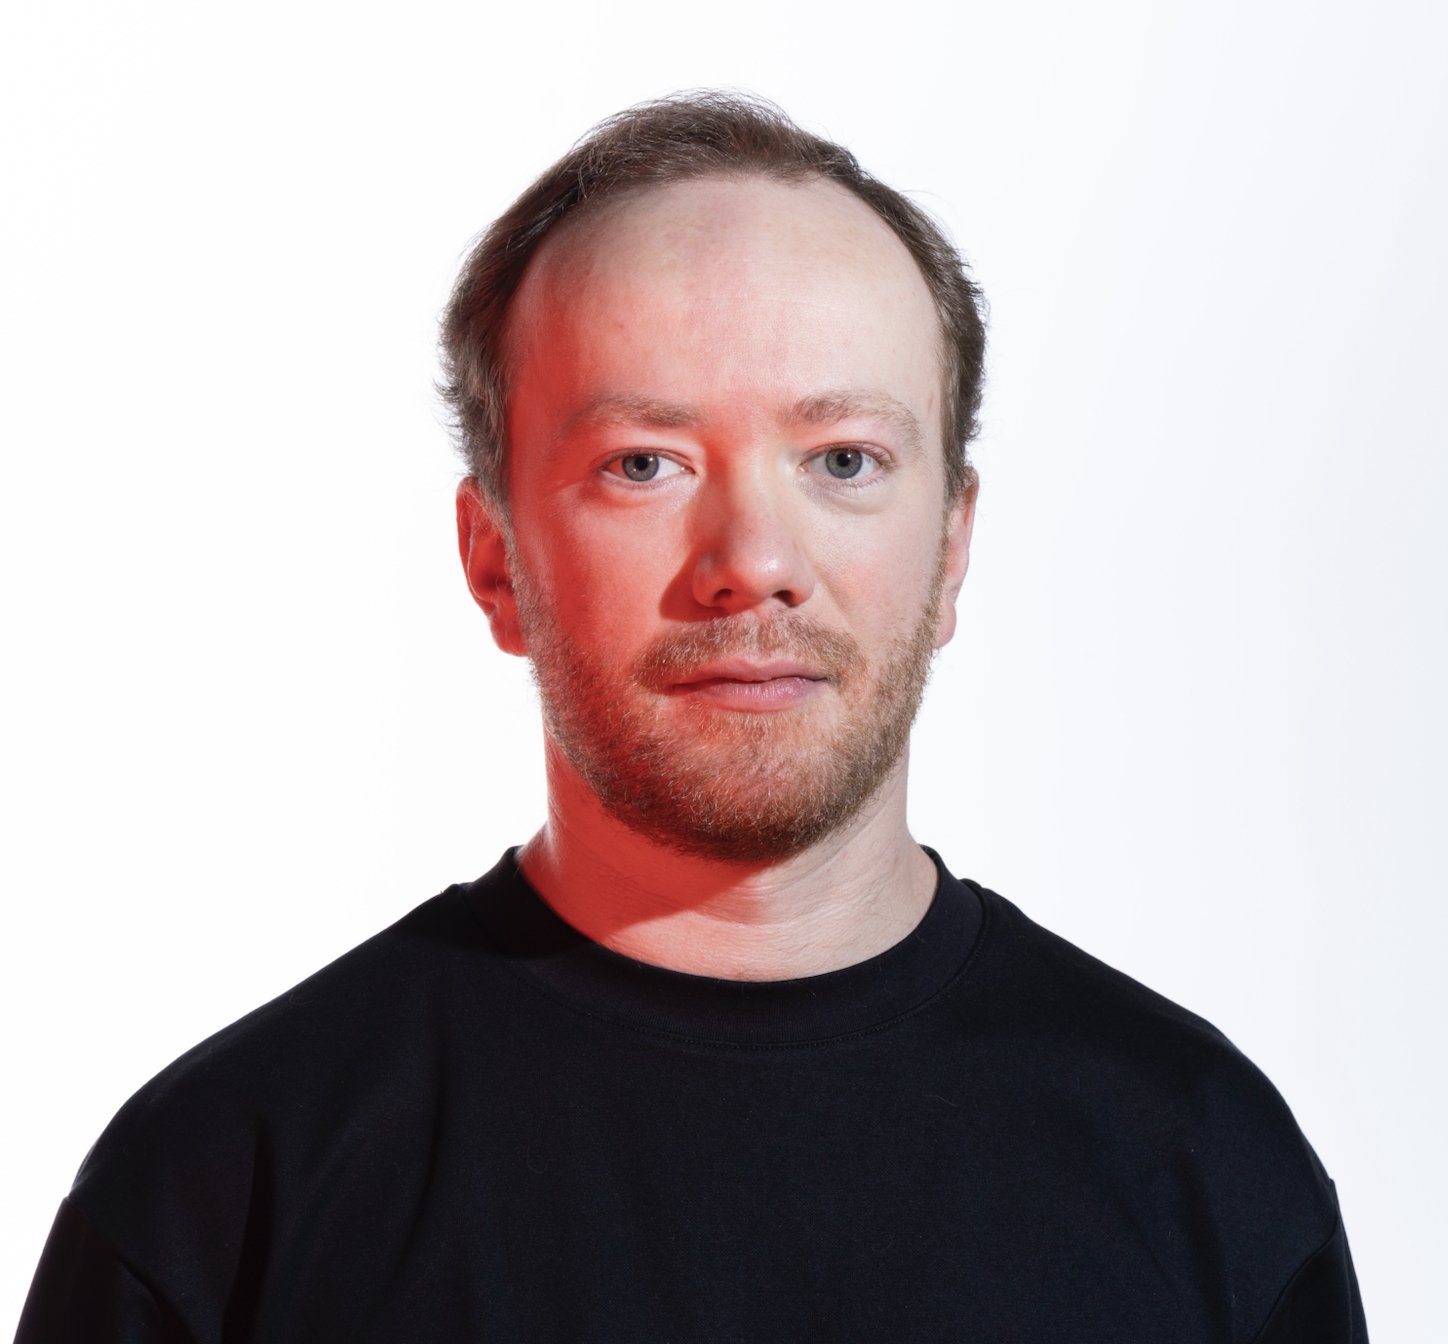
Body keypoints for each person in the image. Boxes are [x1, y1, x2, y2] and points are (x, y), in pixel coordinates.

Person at [16, 92, 1367, 1342]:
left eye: (844, 459)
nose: (753, 561)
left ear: (953, 547)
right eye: (644, 463)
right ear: (495, 561)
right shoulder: (223, 1194)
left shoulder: (1207, 1169)